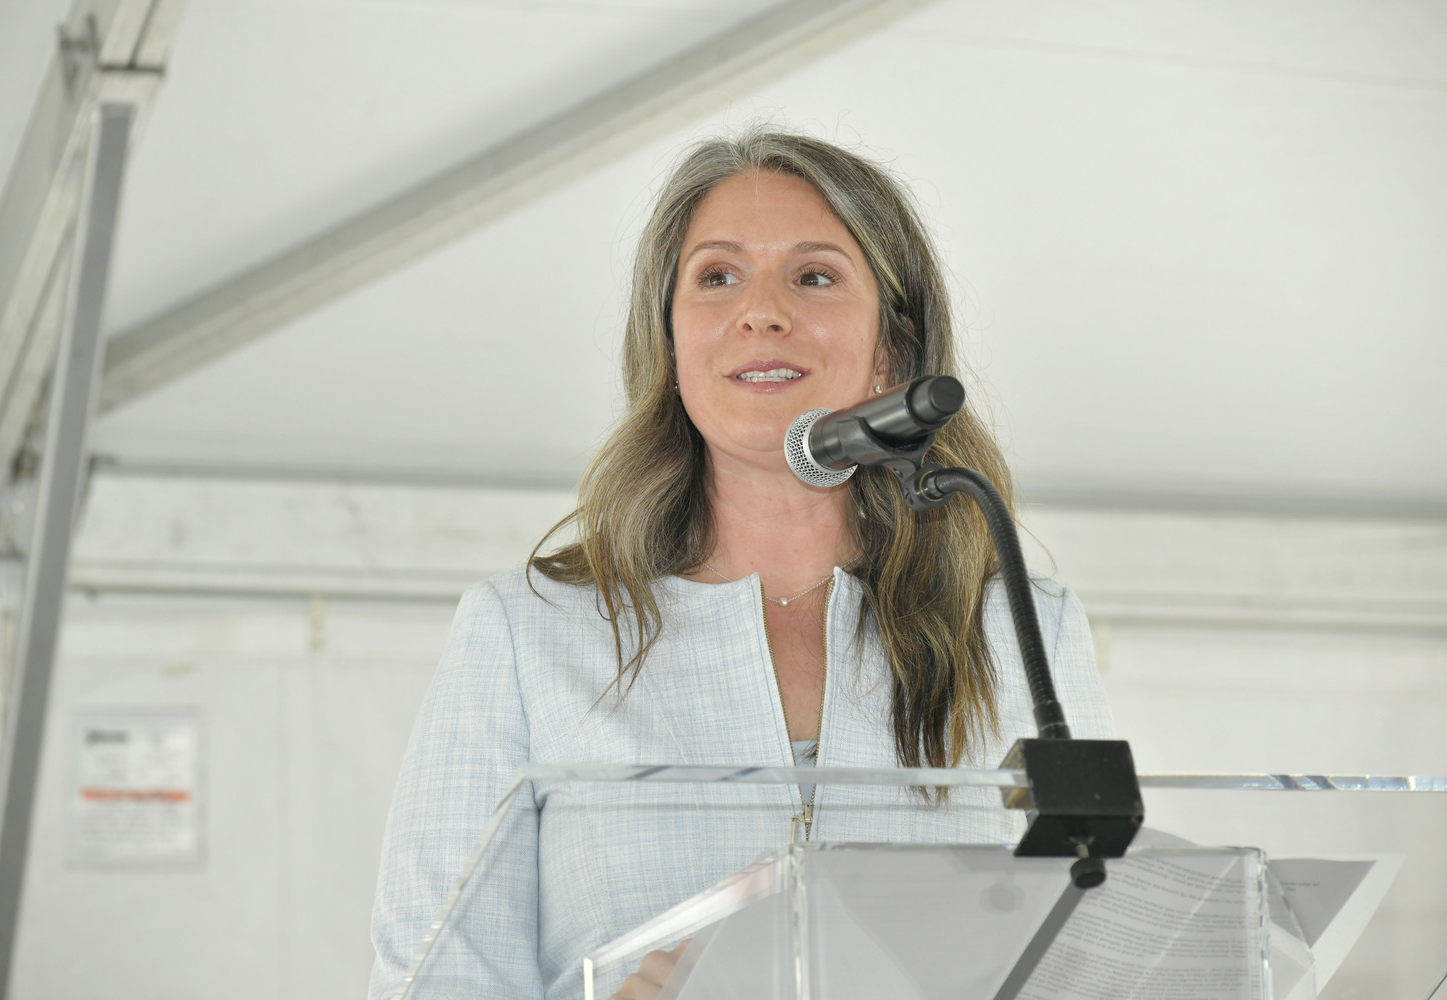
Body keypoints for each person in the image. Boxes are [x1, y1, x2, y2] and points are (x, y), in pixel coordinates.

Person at [368, 128, 1115, 1000]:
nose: (760, 310)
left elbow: (1100, 956)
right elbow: (430, 981)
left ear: (895, 352)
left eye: (814, 276)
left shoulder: (1025, 630)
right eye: (717, 277)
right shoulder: (527, 633)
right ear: (672, 344)